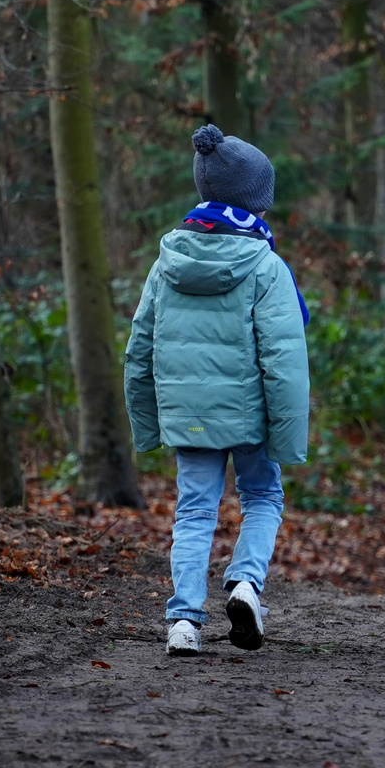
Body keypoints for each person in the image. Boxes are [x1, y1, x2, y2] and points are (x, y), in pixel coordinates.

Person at [124, 125, 310, 657]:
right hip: (250, 415)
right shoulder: (266, 266)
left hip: (189, 414)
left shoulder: (166, 262)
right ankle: (247, 584)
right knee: (263, 496)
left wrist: (148, 422)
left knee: (194, 511)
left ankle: (183, 622)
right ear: (255, 200)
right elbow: (285, 360)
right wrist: (288, 434)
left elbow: (140, 346)